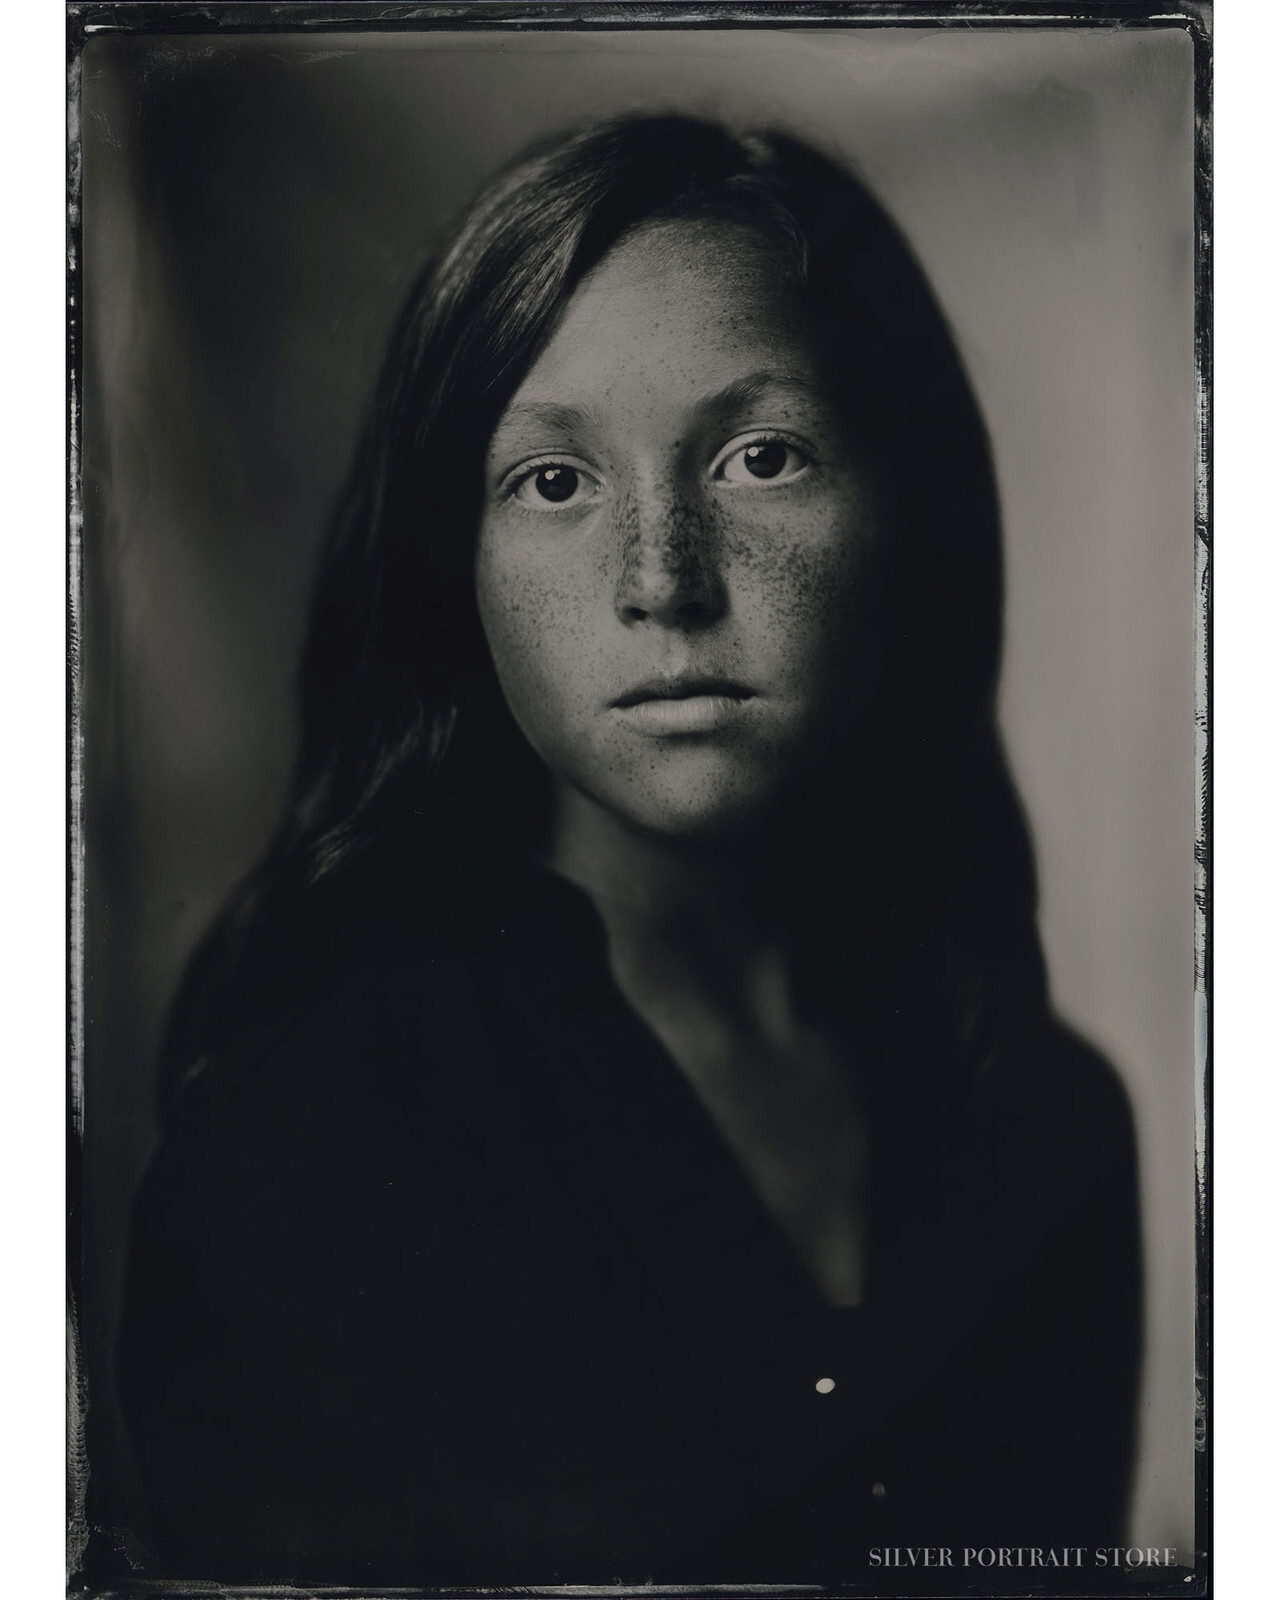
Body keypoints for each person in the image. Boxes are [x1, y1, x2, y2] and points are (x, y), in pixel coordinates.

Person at [117, 114, 1141, 1586]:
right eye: (553, 480)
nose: (663, 579)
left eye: (762, 456)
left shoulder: (1048, 1128)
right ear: (448, 564)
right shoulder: (306, 1152)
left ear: (910, 509)